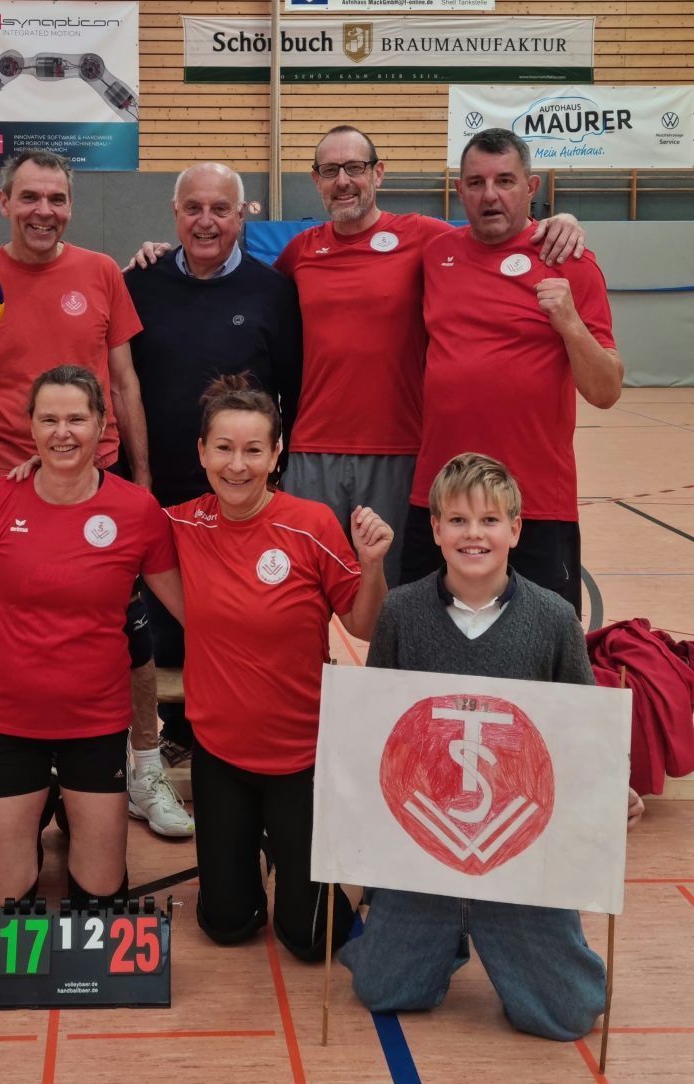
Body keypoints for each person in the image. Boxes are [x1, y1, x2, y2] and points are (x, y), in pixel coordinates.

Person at [0, 149, 184, 843]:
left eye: (56, 199)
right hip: (0, 479)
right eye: (30, 197)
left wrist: (144, 476)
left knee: (129, 625)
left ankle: (144, 765)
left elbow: (123, 382)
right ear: (4, 202)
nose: (44, 211)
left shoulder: (99, 273)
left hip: (96, 478)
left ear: (70, 205)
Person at [340, 452, 643, 1041]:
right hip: (426, 844)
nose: (473, 534)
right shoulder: (401, 611)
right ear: (434, 530)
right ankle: (443, 930)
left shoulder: (554, 618)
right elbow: (377, 722)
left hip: (519, 845)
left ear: (515, 529)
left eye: (488, 522)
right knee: (381, 990)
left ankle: (525, 938)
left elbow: (582, 728)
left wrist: (614, 786)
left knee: (566, 1016)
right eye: (456, 520)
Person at [273, 125, 586, 586]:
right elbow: (243, 289)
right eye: (330, 170)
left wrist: (562, 220)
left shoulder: (426, 239)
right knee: (302, 589)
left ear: (378, 174)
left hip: (399, 451)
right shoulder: (300, 250)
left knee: (398, 595)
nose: (343, 180)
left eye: (355, 168)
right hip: (311, 450)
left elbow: (495, 232)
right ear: (316, 179)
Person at [164, 375, 391, 959]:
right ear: (202, 452)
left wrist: (371, 566)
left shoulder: (310, 524)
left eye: (253, 450)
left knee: (311, 942)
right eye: (223, 448)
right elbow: (98, 508)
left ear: (277, 452)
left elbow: (362, 625)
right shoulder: (180, 523)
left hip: (304, 757)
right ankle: (252, 860)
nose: (237, 465)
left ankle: (346, 864)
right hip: (220, 756)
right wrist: (32, 472)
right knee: (226, 925)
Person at [0, 366, 184, 917]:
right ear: (30, 428)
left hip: (96, 725)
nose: (63, 432)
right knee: (0, 909)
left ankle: (64, 806)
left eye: (77, 419)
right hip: (11, 724)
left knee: (101, 904)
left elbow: (195, 610)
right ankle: (36, 807)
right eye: (49, 419)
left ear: (103, 425)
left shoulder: (136, 511)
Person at [123, 161, 302, 797]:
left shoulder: (273, 292)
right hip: (158, 486)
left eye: (220, 209)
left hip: (239, 491)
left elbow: (293, 389)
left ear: (241, 216)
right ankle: (171, 726)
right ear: (174, 215)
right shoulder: (137, 284)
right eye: (193, 208)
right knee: (165, 624)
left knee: (235, 616)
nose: (206, 221)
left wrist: (271, 473)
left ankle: (230, 728)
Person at [401, 129, 623, 616]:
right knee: (422, 652)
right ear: (459, 190)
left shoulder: (571, 264)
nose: (490, 195)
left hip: (536, 501)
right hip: (441, 498)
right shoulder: (436, 253)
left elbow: (606, 390)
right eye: (476, 182)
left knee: (540, 663)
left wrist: (568, 324)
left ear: (532, 186)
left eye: (505, 180)